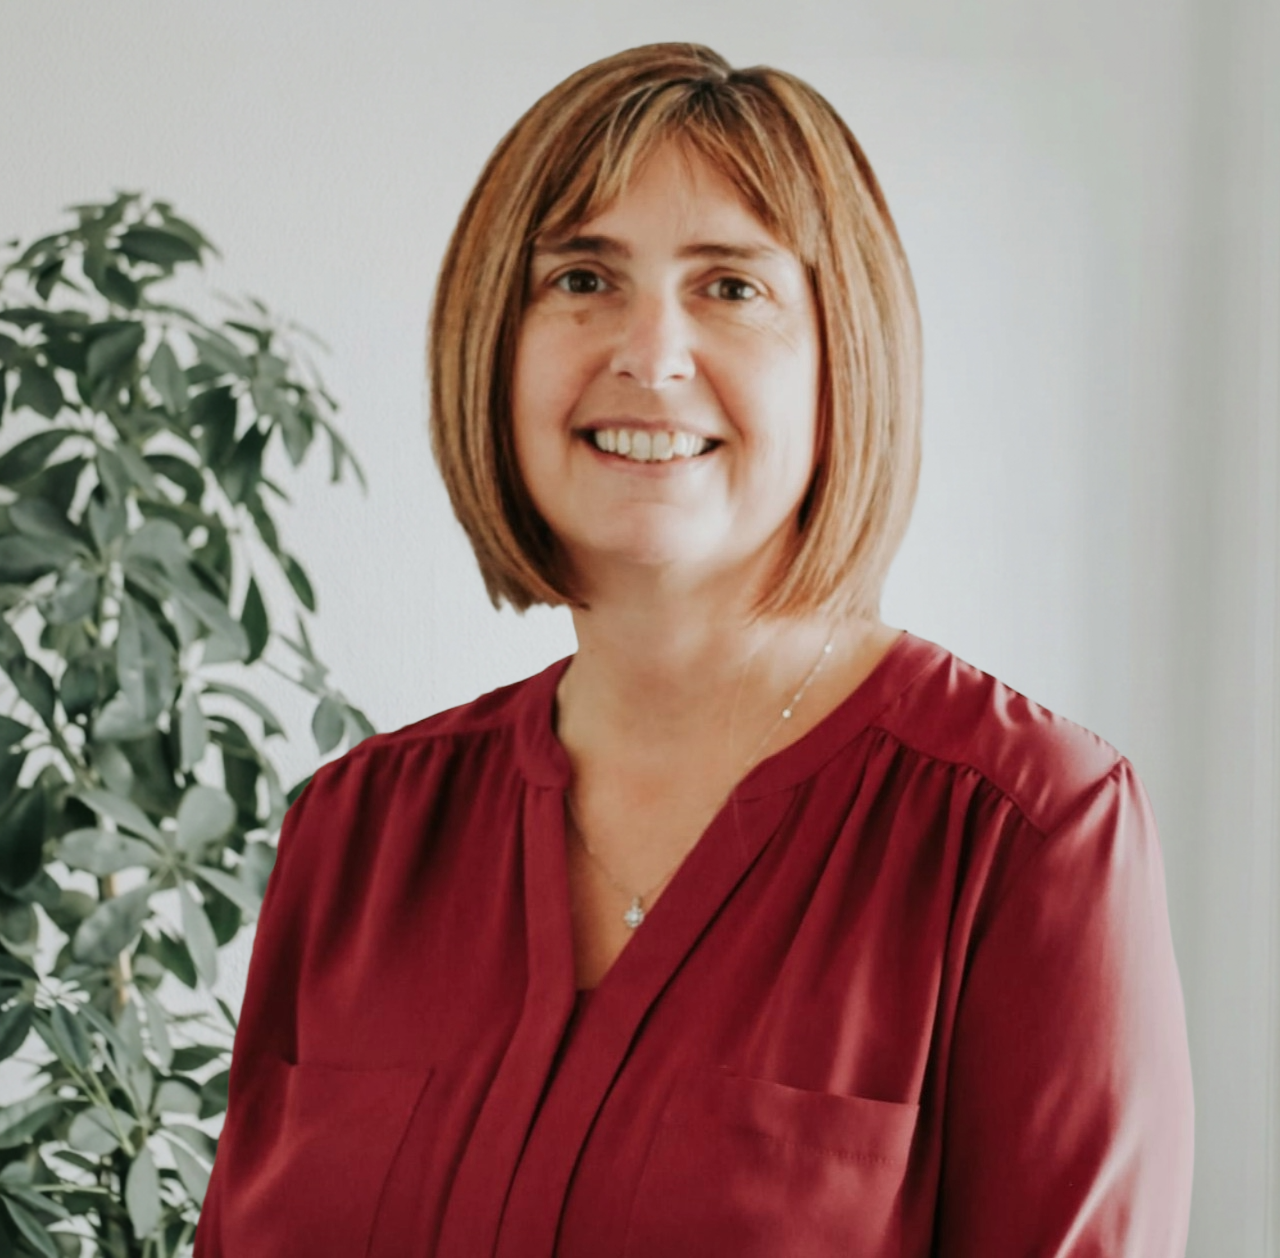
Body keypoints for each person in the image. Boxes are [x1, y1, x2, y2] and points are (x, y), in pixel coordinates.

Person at [194, 43, 1194, 1256]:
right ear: (489, 346)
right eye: (578, 277)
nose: (649, 354)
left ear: (843, 358)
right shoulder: (354, 832)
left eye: (730, 287)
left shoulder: (1030, 830)